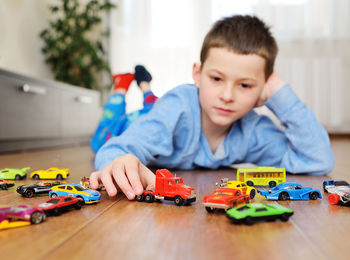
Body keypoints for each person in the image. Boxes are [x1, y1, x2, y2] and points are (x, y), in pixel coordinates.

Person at [89, 15, 334, 200]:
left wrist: (280, 93)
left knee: (151, 103)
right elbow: (117, 148)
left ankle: (146, 89)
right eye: (216, 79)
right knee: (105, 133)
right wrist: (121, 159)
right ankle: (121, 88)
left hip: (155, 117)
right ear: (198, 74)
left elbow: (317, 159)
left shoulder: (253, 130)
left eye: (245, 85)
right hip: (130, 124)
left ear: (262, 89)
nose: (227, 96)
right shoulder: (178, 107)